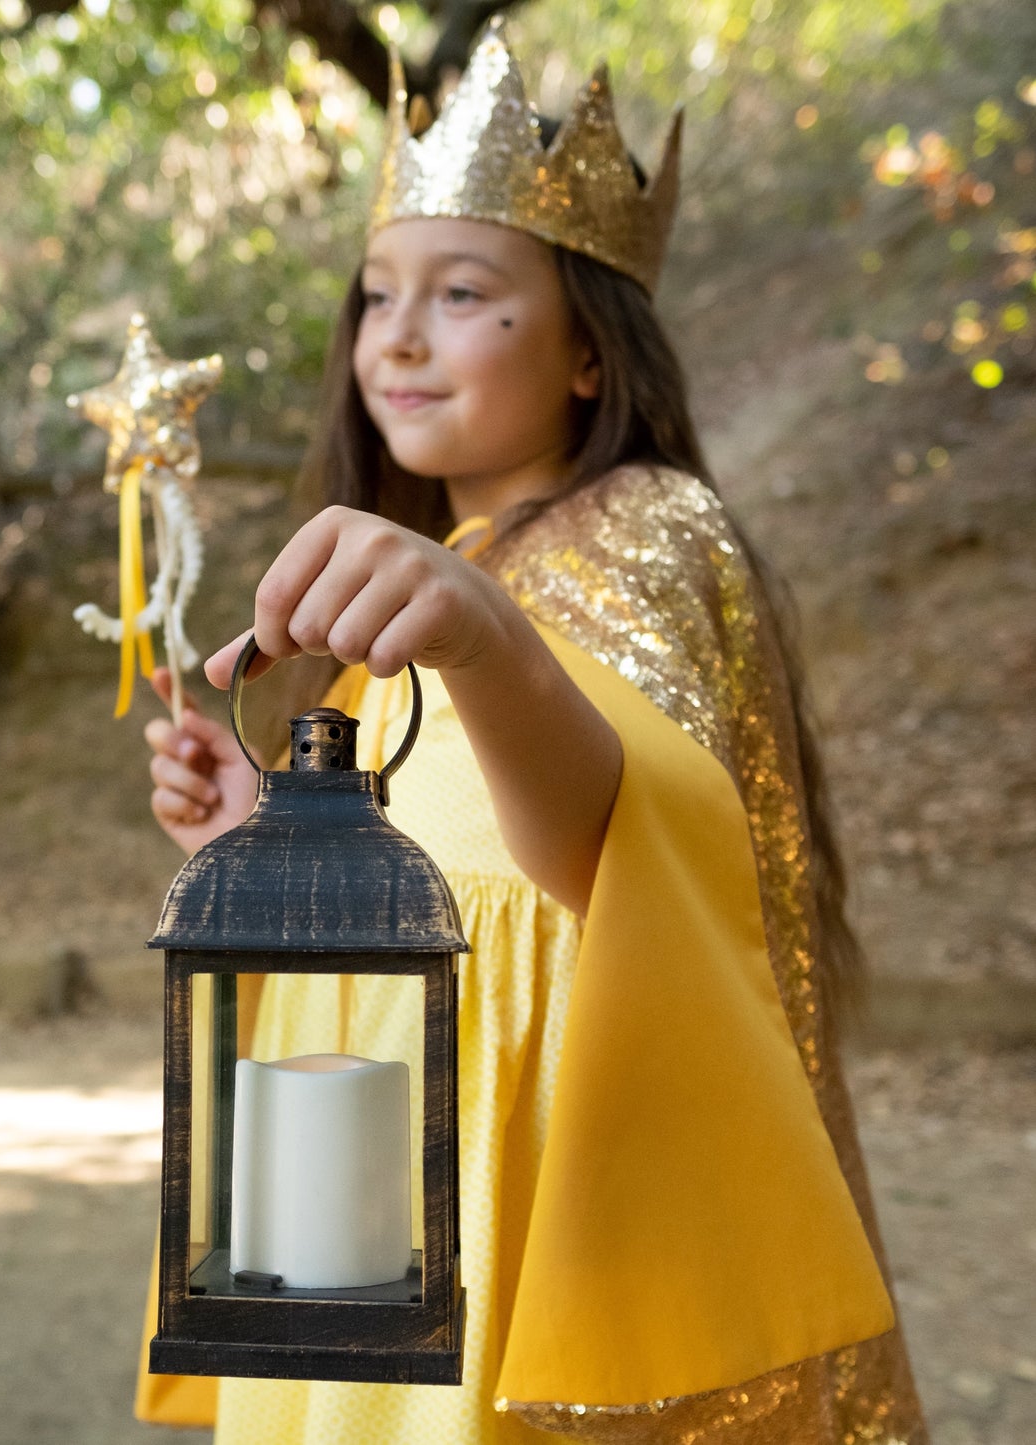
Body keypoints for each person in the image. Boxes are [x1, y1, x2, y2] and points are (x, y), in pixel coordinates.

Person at [135, 21, 928, 1444]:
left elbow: (627, 854)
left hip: (542, 1181)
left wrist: (485, 638)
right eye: (376, 295)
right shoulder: (418, 594)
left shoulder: (643, 525)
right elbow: (413, 906)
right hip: (377, 1208)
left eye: (461, 293)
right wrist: (251, 836)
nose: (397, 333)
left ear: (583, 349)